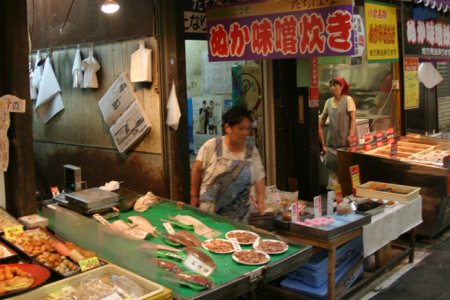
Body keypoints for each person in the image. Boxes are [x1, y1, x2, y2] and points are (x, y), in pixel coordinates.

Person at [190, 105, 266, 222]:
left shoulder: (252, 152)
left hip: (239, 215)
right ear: (227, 127)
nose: (245, 133)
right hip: (209, 213)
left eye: (248, 129)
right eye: (241, 128)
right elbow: (197, 170)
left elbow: (259, 177)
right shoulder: (212, 146)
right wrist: (194, 196)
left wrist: (261, 200)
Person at [320, 75, 356, 182]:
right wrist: (322, 144)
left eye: (335, 85)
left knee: (346, 175)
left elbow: (353, 119)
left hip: (345, 145)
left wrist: (351, 135)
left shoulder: (348, 100)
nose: (332, 88)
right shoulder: (328, 102)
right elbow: (321, 122)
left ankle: (347, 197)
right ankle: (334, 198)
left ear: (342, 86)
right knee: (333, 178)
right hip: (331, 146)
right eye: (330, 86)